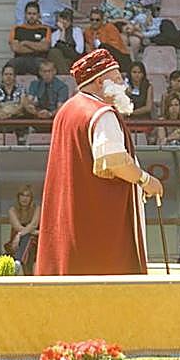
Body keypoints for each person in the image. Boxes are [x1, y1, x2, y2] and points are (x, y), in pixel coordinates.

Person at [36, 49, 164, 275]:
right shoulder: (102, 114)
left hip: (72, 217)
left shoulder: (67, 109)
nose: (123, 84)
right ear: (99, 82)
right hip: (98, 221)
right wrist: (146, 180)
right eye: (117, 78)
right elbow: (115, 162)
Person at [6, 184, 42, 273]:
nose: (24, 198)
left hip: (34, 242)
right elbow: (18, 227)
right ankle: (25, 270)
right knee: (28, 239)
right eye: (22, 195)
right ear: (18, 197)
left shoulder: (37, 209)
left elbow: (33, 225)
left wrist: (19, 235)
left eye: (27, 196)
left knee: (29, 240)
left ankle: (18, 260)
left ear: (31, 198)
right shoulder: (12, 210)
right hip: (16, 243)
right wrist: (21, 234)